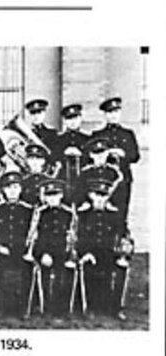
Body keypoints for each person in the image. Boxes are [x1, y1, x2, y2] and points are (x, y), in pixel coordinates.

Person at [77, 178, 128, 320]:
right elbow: (77, 236)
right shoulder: (83, 215)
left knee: (119, 269)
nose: (99, 199)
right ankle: (91, 307)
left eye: (103, 195)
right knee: (90, 268)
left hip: (110, 254)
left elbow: (124, 236)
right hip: (89, 254)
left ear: (108, 197)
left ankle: (115, 307)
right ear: (90, 195)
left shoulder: (115, 215)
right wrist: (84, 253)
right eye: (95, 195)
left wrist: (123, 254)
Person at [26, 178, 74, 317]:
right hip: (44, 251)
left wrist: (69, 254)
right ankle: (45, 306)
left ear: (61, 196)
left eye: (55, 195)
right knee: (45, 274)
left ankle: (61, 308)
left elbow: (72, 236)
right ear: (45, 197)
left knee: (63, 276)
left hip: (62, 251)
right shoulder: (40, 212)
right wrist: (42, 253)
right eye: (49, 196)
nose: (52, 199)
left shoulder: (69, 213)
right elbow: (34, 235)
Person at [91, 97, 140, 231]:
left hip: (123, 179)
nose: (113, 115)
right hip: (102, 179)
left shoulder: (128, 134)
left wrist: (123, 153)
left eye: (116, 112)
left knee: (121, 211)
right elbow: (90, 156)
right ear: (105, 115)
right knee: (102, 212)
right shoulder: (98, 134)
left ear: (120, 113)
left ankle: (121, 243)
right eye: (110, 112)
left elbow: (135, 156)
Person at [0, 171, 33, 317]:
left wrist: (26, 249)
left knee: (24, 278)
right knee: (0, 279)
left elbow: (32, 231)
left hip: (22, 251)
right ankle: (3, 308)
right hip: (1, 250)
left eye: (15, 187)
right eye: (8, 188)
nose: (12, 191)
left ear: (21, 189)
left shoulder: (28, 210)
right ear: (3, 190)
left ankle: (22, 309)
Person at [56, 103, 90, 202]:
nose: (72, 122)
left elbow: (92, 159)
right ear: (65, 121)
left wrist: (81, 154)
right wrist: (63, 154)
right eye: (69, 119)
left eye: (75, 118)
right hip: (63, 181)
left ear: (80, 118)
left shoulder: (87, 139)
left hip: (83, 182)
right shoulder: (58, 139)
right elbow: (53, 158)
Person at [24, 98, 60, 168]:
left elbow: (55, 154)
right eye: (33, 113)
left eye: (39, 112)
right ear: (29, 115)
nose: (36, 116)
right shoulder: (25, 133)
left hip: (47, 169)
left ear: (44, 113)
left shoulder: (52, 133)